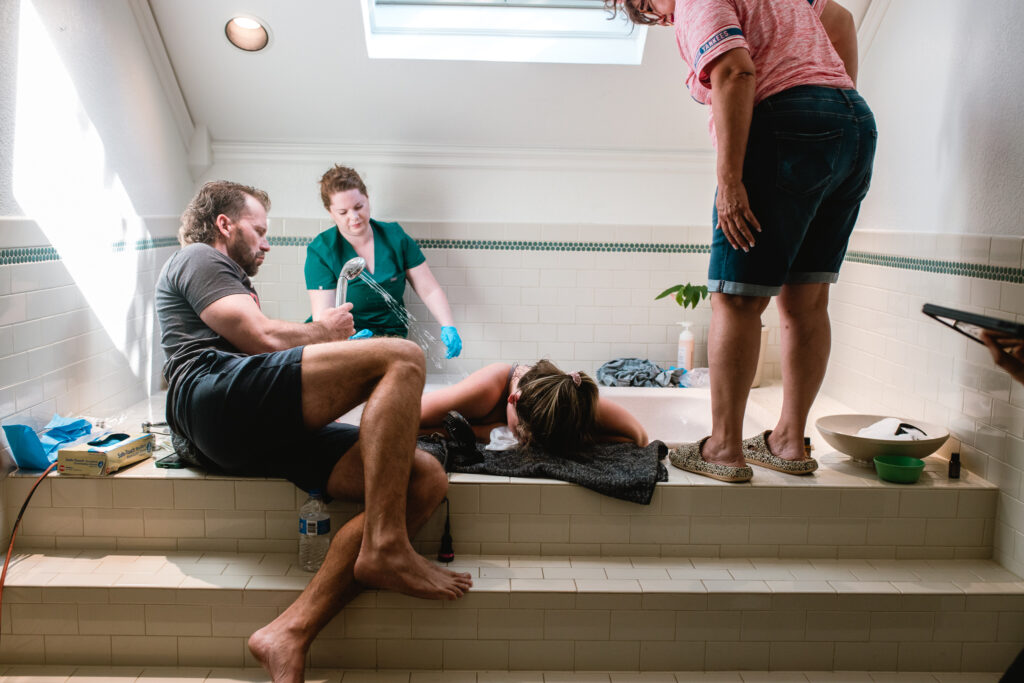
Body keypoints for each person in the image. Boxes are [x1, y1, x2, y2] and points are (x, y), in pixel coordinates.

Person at [155, 180, 472, 683]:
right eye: (259, 231)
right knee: (404, 356)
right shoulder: (198, 257)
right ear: (224, 224)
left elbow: (264, 356)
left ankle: (289, 633)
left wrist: (329, 378)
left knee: (425, 477)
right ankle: (385, 546)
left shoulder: (231, 276)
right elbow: (259, 337)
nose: (265, 243)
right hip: (210, 398)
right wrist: (325, 334)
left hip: (247, 424)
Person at [608, 0, 875, 482]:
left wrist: (730, 182)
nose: (662, 20)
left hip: (785, 123)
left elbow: (735, 71)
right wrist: (828, 108)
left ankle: (724, 448)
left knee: (735, 300)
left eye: (649, 7)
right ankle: (788, 441)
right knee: (807, 300)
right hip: (854, 126)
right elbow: (839, 19)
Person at [304, 165, 463, 358]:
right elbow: (323, 318)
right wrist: (345, 341)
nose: (354, 217)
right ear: (330, 212)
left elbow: (429, 289)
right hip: (340, 344)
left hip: (391, 340)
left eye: (359, 207)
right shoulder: (321, 251)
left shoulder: (395, 237)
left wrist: (448, 325)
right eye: (343, 212)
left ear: (367, 198)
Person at [420, 360, 649, 454]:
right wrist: (479, 432)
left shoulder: (573, 400)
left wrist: (579, 437)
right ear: (513, 399)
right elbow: (406, 418)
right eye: (520, 433)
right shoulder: (483, 392)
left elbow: (639, 438)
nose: (523, 441)